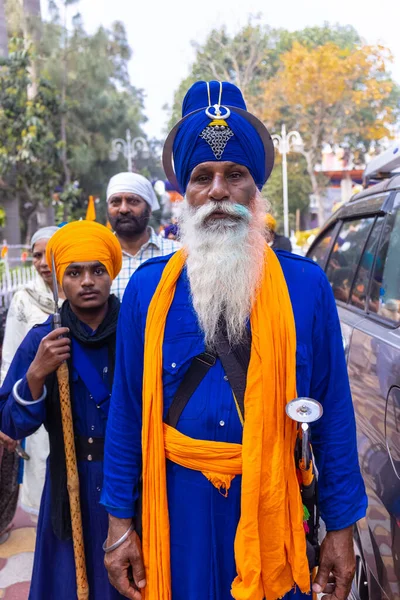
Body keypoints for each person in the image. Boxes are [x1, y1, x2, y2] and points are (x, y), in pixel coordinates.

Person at [101, 81, 367, 600]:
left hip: (272, 502)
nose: (218, 191)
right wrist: (118, 526)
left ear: (255, 189)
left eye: (235, 175)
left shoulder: (305, 286)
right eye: (203, 177)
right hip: (177, 512)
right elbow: (126, 412)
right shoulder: (147, 290)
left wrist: (341, 528)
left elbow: (333, 415)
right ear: (184, 192)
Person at [0, 220, 125, 600]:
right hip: (68, 482)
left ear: (111, 274)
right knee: (69, 583)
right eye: (74, 272)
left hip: (128, 481)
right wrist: (37, 374)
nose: (87, 281)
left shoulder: (138, 332)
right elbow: (10, 424)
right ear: (59, 280)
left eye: (97, 270)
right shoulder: (44, 337)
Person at [0, 226, 65, 522]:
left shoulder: (86, 292)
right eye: (36, 255)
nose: (41, 262)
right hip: (37, 403)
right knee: (44, 479)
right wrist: (6, 415)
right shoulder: (24, 299)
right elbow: (11, 358)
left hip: (80, 405)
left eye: (48, 254)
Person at [107, 172, 181, 300]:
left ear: (149, 208)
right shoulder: (98, 259)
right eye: (116, 202)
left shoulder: (178, 254)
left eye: (133, 201)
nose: (123, 209)